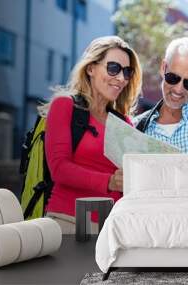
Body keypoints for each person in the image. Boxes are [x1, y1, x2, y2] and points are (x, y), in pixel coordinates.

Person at [41, 36, 142, 234]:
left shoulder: (124, 123)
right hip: (69, 222)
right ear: (91, 68)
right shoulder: (64, 106)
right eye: (113, 68)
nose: (121, 78)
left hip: (113, 229)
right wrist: (109, 181)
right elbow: (59, 169)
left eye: (127, 72)